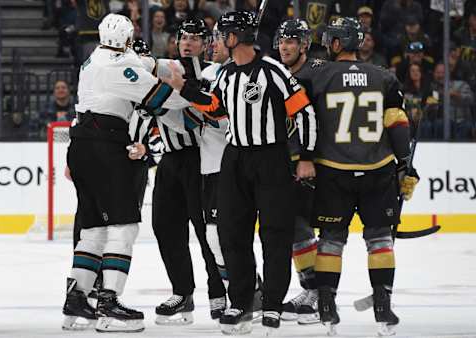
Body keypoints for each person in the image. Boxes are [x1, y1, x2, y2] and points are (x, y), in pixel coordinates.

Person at [162, 10, 317, 335]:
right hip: (235, 160)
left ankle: (273, 304)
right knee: (232, 234)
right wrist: (184, 88)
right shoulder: (227, 74)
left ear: (237, 37)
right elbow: (215, 106)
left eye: (222, 34)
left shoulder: (273, 71)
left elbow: (304, 112)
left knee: (274, 234)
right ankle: (242, 302)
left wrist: (306, 156)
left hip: (271, 159)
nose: (217, 40)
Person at [299, 17, 419, 336]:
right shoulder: (384, 77)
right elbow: (396, 123)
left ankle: (326, 305)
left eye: (331, 40)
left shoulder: (315, 74)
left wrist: (302, 158)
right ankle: (383, 304)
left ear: (338, 44)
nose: (327, 45)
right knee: (379, 240)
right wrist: (405, 163)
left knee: (330, 241)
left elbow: (303, 120)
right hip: (377, 170)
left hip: (332, 170)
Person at [62, 13, 173, 333]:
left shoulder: (92, 59)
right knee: (124, 226)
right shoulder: (121, 66)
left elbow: (145, 67)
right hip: (108, 147)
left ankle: (76, 299)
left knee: (93, 228)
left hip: (81, 144)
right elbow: (162, 101)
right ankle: (109, 300)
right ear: (126, 40)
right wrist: (193, 97)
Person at [146, 19, 227, 325]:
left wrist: (160, 106)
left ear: (206, 42)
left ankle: (220, 292)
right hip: (170, 160)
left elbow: (194, 117)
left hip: (198, 160)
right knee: (165, 227)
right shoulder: (167, 68)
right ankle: (183, 292)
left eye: (195, 37)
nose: (188, 42)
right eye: (184, 37)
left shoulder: (209, 73)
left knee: (207, 232)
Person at [276, 18, 320, 324]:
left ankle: (318, 294)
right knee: (293, 228)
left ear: (304, 44)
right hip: (285, 163)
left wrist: (311, 157)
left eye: (291, 41)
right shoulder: (278, 73)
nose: (285, 46)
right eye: (282, 40)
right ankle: (312, 289)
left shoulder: (317, 71)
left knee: (303, 227)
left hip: (310, 163)